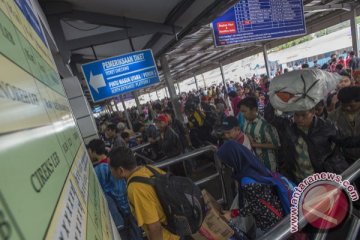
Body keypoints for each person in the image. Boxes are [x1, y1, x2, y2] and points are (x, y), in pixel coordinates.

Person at [264, 104, 349, 184]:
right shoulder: (289, 127)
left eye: (303, 115)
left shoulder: (325, 127)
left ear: (313, 113)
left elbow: (345, 141)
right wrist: (276, 96)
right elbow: (269, 116)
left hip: (321, 179)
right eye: (296, 115)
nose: (299, 119)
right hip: (298, 179)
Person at [109, 147, 180, 240]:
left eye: (110, 168)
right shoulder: (149, 168)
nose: (110, 171)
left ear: (121, 170)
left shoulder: (135, 188)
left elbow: (154, 227)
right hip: (177, 228)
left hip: (167, 237)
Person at [217, 141, 284, 236]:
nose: (225, 165)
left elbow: (257, 207)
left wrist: (233, 213)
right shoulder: (252, 164)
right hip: (276, 209)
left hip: (268, 222)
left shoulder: (247, 181)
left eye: (226, 162)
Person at [87, 140, 142, 239]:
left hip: (122, 212)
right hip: (129, 208)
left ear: (93, 151)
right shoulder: (113, 162)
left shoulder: (100, 169)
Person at [239, 97, 280, 172]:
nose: (242, 114)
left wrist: (254, 144)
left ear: (254, 110)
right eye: (241, 112)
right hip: (254, 163)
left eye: (244, 111)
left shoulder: (266, 125)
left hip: (268, 166)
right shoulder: (246, 122)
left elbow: (276, 145)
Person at [328, 86, 360, 164]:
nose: (348, 108)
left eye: (351, 106)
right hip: (346, 158)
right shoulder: (333, 116)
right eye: (344, 105)